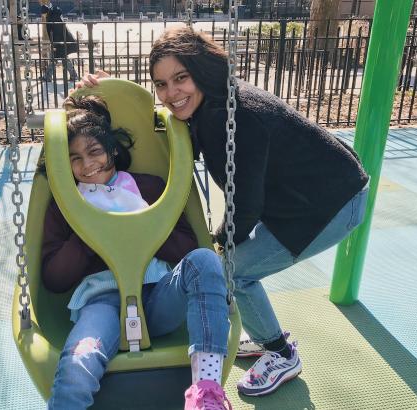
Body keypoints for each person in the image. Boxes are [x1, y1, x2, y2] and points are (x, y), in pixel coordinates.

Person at [77, 26, 370, 397]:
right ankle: (267, 339)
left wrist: (218, 244)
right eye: (161, 84)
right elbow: (162, 126)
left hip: (329, 204)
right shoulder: (213, 103)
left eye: (180, 78)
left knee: (233, 272)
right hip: (309, 192)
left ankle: (281, 353)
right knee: (235, 266)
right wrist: (112, 95)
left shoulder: (232, 117)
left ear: (200, 70)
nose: (171, 94)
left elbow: (245, 206)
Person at [39, 95, 233, 409]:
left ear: (112, 149)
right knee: (78, 362)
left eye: (94, 151)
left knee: (205, 260)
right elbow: (53, 279)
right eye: (74, 158)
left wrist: (144, 226)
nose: (87, 165)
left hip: (157, 295)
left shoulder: (150, 188)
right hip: (103, 304)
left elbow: (188, 247)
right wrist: (89, 233)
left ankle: (206, 391)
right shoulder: (64, 205)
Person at [40, 2, 79, 82]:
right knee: (61, 59)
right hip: (62, 41)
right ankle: (73, 76)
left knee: (57, 59)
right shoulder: (54, 16)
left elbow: (56, 32)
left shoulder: (52, 18)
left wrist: (55, 44)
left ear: (46, 12)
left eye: (43, 14)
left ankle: (48, 77)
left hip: (59, 43)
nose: (43, 16)